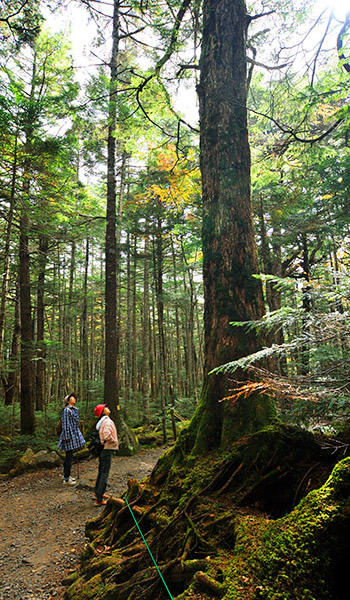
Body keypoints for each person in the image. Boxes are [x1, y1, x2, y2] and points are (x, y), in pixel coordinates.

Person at [94, 404, 119, 505]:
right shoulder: (107, 421)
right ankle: (99, 499)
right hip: (107, 448)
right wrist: (113, 440)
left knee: (101, 471)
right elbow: (106, 435)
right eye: (106, 408)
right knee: (105, 473)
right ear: (103, 412)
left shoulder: (102, 421)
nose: (108, 408)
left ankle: (98, 492)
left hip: (103, 449)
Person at [58, 393, 86, 485]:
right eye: (72, 398)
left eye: (74, 398)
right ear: (68, 401)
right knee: (69, 457)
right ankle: (66, 478)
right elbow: (65, 424)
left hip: (73, 435)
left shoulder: (74, 410)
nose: (74, 399)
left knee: (69, 456)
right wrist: (66, 437)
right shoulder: (67, 410)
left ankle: (66, 475)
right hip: (69, 436)